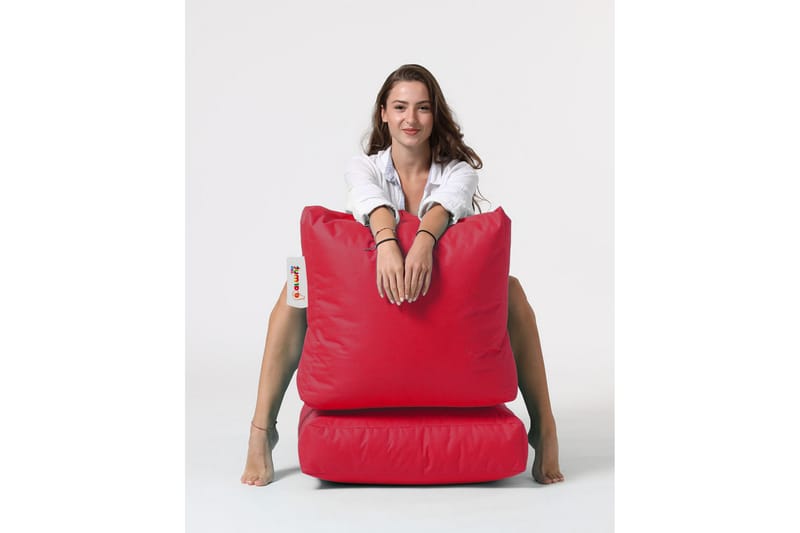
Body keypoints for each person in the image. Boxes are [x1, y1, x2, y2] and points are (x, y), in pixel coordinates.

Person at [241, 64, 564, 486]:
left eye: (423, 108)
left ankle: (544, 426)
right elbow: (371, 200)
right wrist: (388, 243)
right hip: (376, 296)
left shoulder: (459, 171)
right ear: (383, 113)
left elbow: (445, 206)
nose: (411, 118)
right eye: (400, 107)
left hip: (442, 297)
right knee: (294, 286)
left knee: (513, 291)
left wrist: (424, 241)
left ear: (435, 114)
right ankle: (262, 429)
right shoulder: (364, 167)